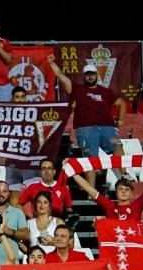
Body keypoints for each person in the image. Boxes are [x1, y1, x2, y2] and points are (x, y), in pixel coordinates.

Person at [46, 56, 128, 188]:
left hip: (107, 128)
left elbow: (121, 103)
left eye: (92, 74)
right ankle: (91, 194)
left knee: (118, 148)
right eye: (87, 75)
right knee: (91, 161)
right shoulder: (77, 89)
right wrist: (51, 63)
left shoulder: (106, 92)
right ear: (84, 76)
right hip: (86, 129)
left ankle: (125, 177)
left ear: (97, 75)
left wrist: (122, 119)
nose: (90, 77)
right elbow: (61, 76)